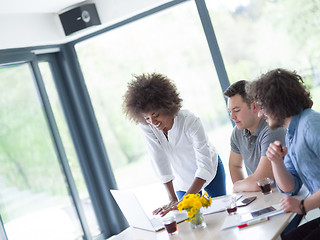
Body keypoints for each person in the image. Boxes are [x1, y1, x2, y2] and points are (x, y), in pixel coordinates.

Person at [122, 72, 226, 216]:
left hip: (210, 170)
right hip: (182, 179)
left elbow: (205, 166)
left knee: (220, 213)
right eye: (147, 118)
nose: (153, 122)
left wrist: (184, 201)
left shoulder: (190, 121)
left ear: (167, 106)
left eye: (155, 114)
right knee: (190, 220)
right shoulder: (148, 126)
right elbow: (158, 159)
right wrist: (172, 198)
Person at [246, 68, 320, 240]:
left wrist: (303, 205)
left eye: (261, 107)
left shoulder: (311, 124)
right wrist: (276, 161)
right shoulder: (292, 134)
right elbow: (290, 188)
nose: (259, 113)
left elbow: (298, 201)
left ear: (276, 103)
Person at [224, 80, 286, 192]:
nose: (232, 116)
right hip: (267, 197)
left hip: (289, 195)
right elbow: (234, 165)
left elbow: (260, 181)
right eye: (230, 112)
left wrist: (236, 186)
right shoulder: (237, 132)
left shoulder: (272, 129)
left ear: (254, 106)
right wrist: (245, 193)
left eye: (236, 110)